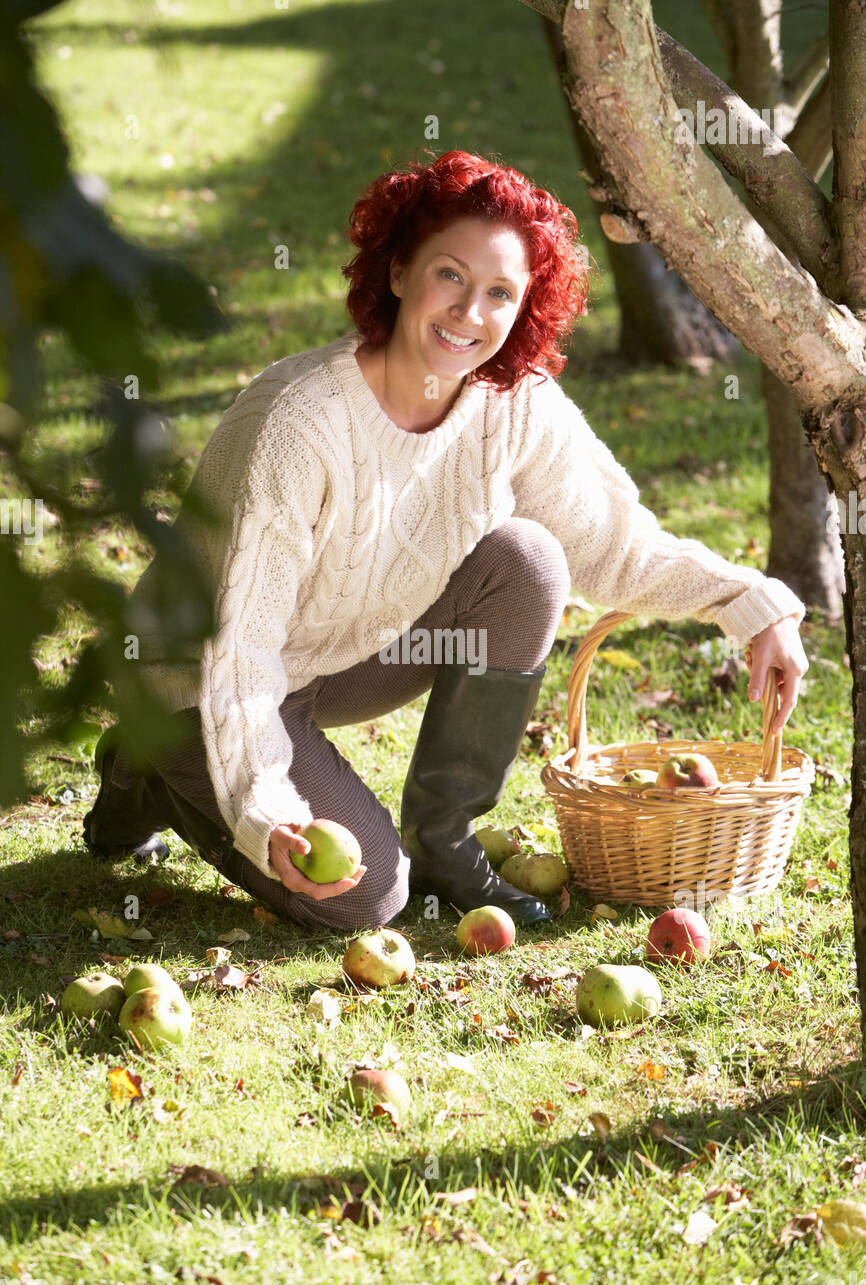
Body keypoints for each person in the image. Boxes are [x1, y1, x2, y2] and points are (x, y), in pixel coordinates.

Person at [82, 149, 809, 931]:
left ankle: (444, 842)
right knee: (365, 899)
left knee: (528, 559)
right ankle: (150, 770)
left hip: (343, 656)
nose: (470, 312)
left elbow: (612, 544)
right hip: (205, 677)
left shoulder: (514, 404)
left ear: (525, 305)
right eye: (450, 276)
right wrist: (264, 811)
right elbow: (242, 647)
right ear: (397, 272)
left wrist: (752, 603)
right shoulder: (296, 423)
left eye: (501, 292)